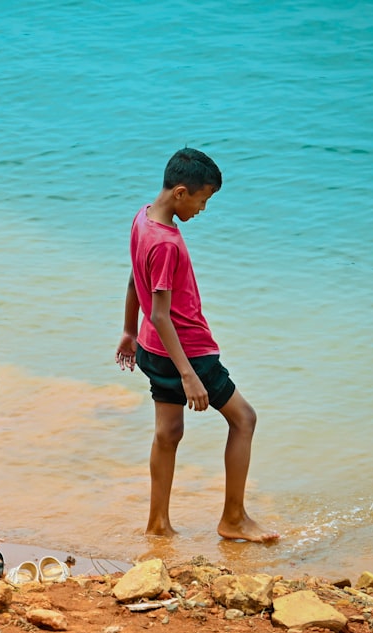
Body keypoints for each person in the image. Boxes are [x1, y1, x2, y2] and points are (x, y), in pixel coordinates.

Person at [115, 147, 279, 543]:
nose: (203, 209)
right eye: (203, 200)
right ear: (181, 193)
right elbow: (161, 313)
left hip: (153, 352)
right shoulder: (168, 242)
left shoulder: (143, 218)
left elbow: (136, 277)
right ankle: (234, 519)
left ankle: (158, 524)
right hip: (186, 350)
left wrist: (128, 330)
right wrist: (189, 375)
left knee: (168, 433)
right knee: (244, 419)